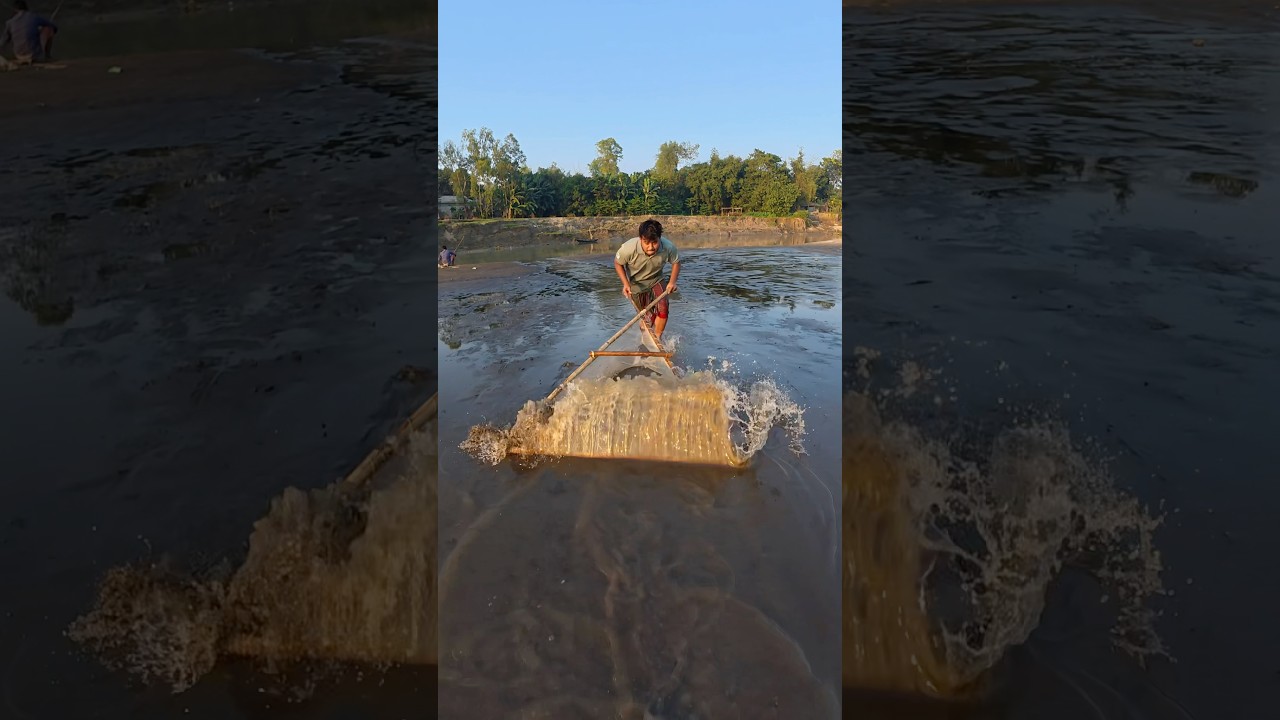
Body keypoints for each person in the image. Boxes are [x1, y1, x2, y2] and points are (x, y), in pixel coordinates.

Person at [614, 218, 680, 342]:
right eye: (646, 242)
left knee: (663, 307)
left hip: (656, 280)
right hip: (636, 284)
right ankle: (645, 336)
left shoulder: (668, 247)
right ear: (641, 239)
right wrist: (625, 284)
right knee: (647, 317)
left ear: (659, 238)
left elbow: (676, 263)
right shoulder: (628, 248)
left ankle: (657, 338)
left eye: (654, 242)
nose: (650, 247)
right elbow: (618, 263)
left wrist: (672, 282)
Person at [1, 2, 58, 66]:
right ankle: (47, 56)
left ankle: (24, 56)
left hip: (19, 56)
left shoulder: (10, 22)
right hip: (34, 56)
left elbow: (3, 42)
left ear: (15, 10)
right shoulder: (33, 17)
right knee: (48, 29)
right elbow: (53, 27)